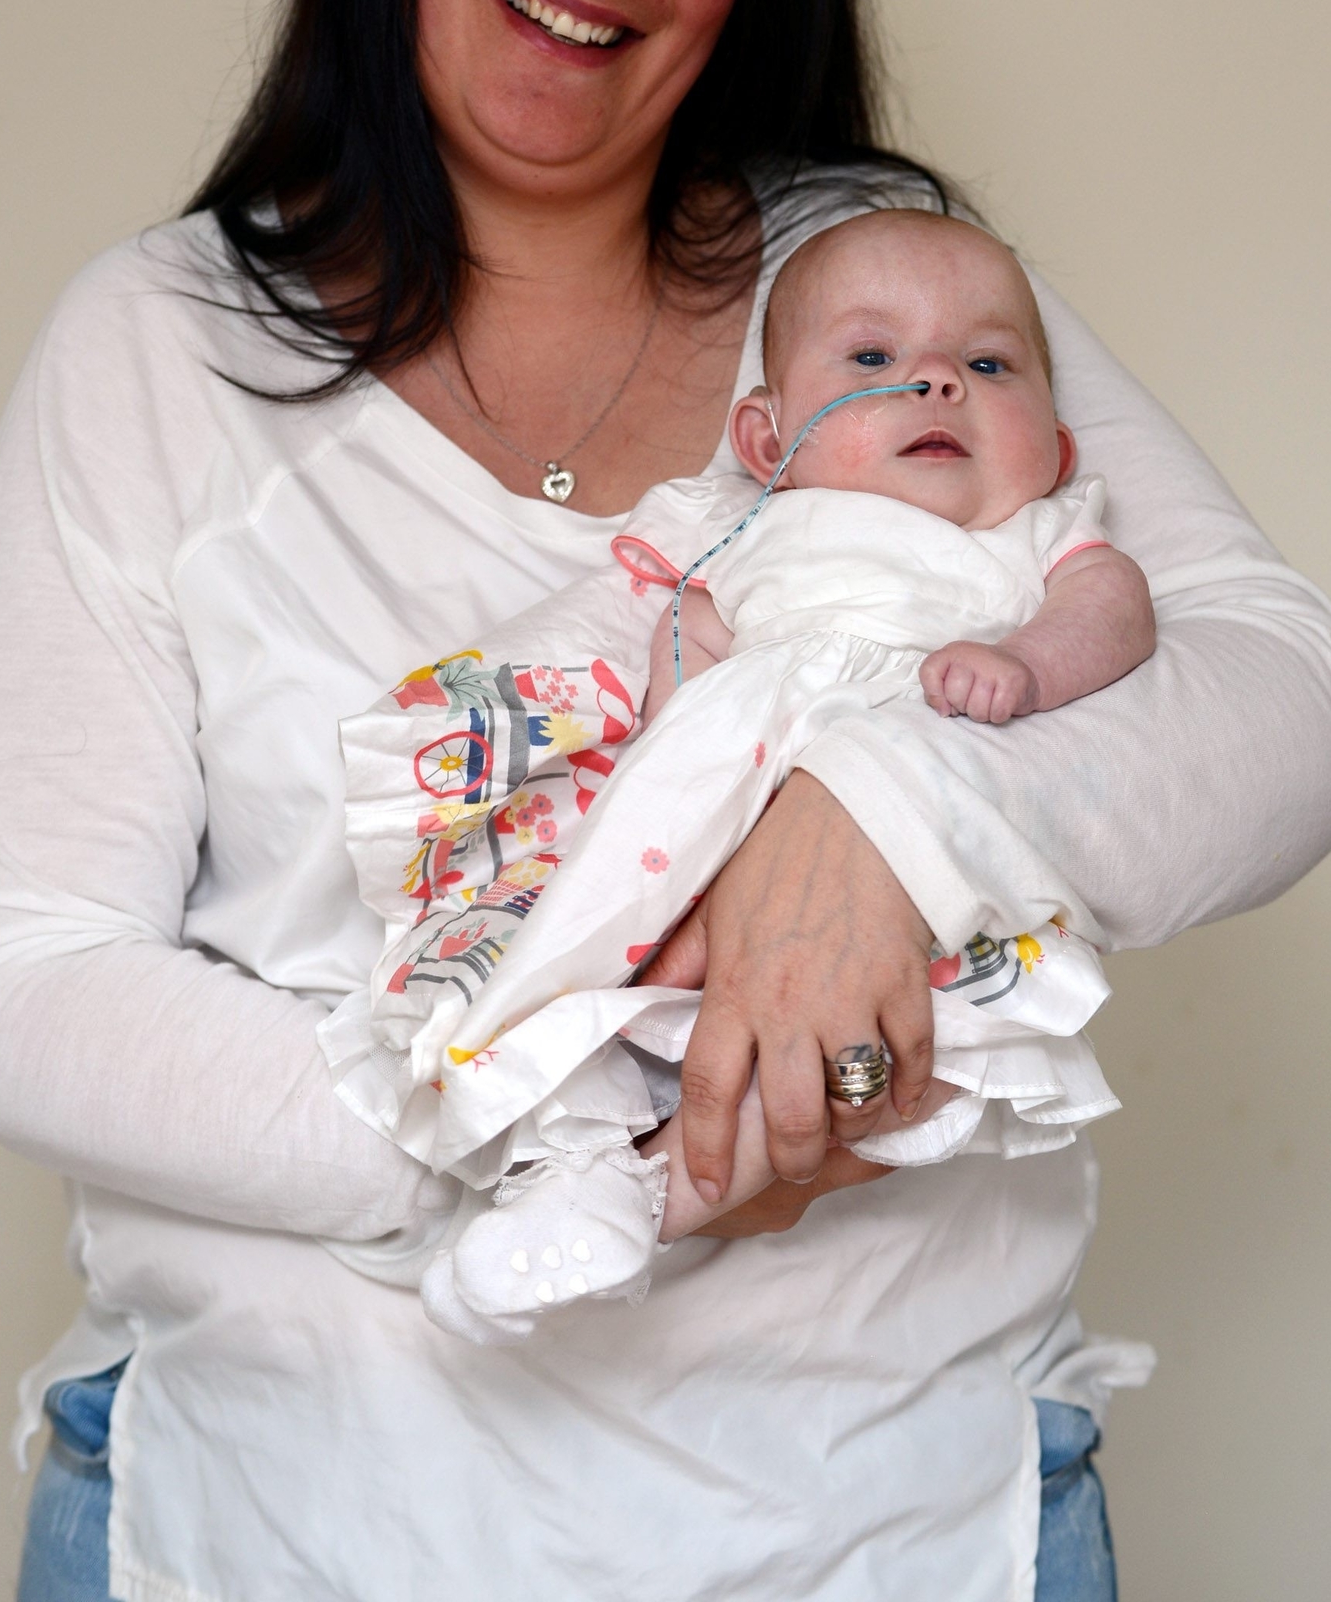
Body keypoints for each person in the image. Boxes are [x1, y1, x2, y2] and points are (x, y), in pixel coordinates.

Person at [0, 0, 1331, 1602]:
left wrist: (902, 817)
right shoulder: (161, 347)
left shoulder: (884, 292)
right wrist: (569, 1109)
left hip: (888, 1525)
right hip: (279, 1530)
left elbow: (1287, 702)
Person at [336, 210, 1150, 1345]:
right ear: (767, 443)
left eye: (988, 363)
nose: (935, 385)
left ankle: (652, 1197)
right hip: (712, 808)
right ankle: (566, 1166)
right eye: (872, 360)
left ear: (1055, 450)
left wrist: (1026, 662)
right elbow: (688, 643)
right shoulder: (753, 528)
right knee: (580, 974)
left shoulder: (1035, 536)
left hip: (919, 860)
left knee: (873, 1044)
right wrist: (666, 758)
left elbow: (1115, 611)